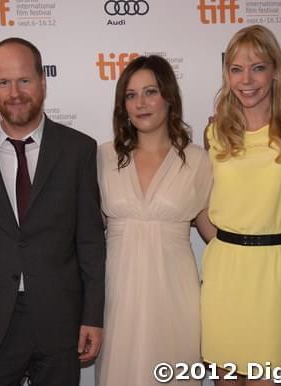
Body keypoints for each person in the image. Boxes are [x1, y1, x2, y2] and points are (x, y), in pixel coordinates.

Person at [0, 37, 106, 386]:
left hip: (59, 320)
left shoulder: (78, 149)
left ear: (43, 81)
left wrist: (93, 317)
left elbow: (91, 243)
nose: (15, 92)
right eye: (3, 82)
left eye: (24, 80)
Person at [201, 25, 281, 385]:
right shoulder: (215, 132)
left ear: (275, 70)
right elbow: (201, 208)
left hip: (276, 276)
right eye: (236, 69)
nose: (247, 80)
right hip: (225, 276)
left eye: (257, 67)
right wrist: (228, 247)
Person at [95, 55, 213, 386]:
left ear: (169, 97)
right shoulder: (102, 157)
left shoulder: (197, 160)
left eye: (150, 92)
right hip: (118, 298)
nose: (141, 103)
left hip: (175, 298)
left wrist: (267, 251)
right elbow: (85, 234)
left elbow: (215, 235)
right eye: (131, 95)